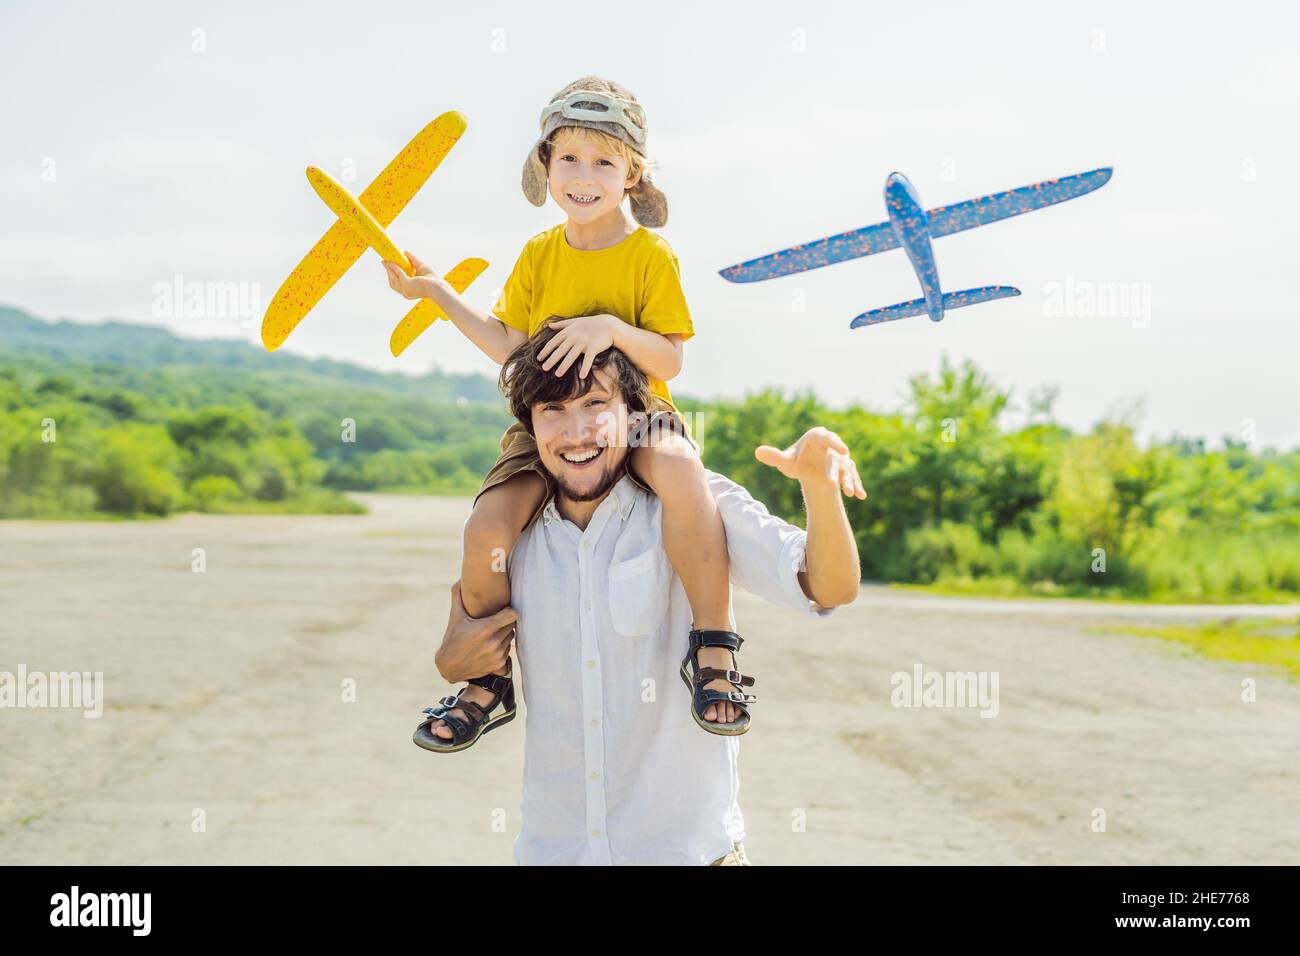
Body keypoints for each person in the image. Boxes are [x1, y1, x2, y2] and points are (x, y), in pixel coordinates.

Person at [384, 77, 782, 740]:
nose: (584, 176)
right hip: (547, 424)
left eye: (605, 161)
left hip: (638, 415)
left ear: (633, 174)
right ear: (545, 165)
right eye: (569, 158)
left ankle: (713, 646)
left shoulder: (650, 255)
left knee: (683, 474)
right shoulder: (539, 254)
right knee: (486, 528)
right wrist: (437, 293)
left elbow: (671, 360)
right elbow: (512, 347)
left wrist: (609, 329)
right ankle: (485, 678)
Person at [424, 331, 864, 865]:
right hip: (554, 851)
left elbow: (830, 586)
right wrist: (460, 664)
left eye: (596, 404)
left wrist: (818, 486)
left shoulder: (693, 505)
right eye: (554, 409)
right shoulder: (509, 530)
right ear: (531, 426)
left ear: (634, 414)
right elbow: (458, 651)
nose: (577, 431)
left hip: (690, 854)